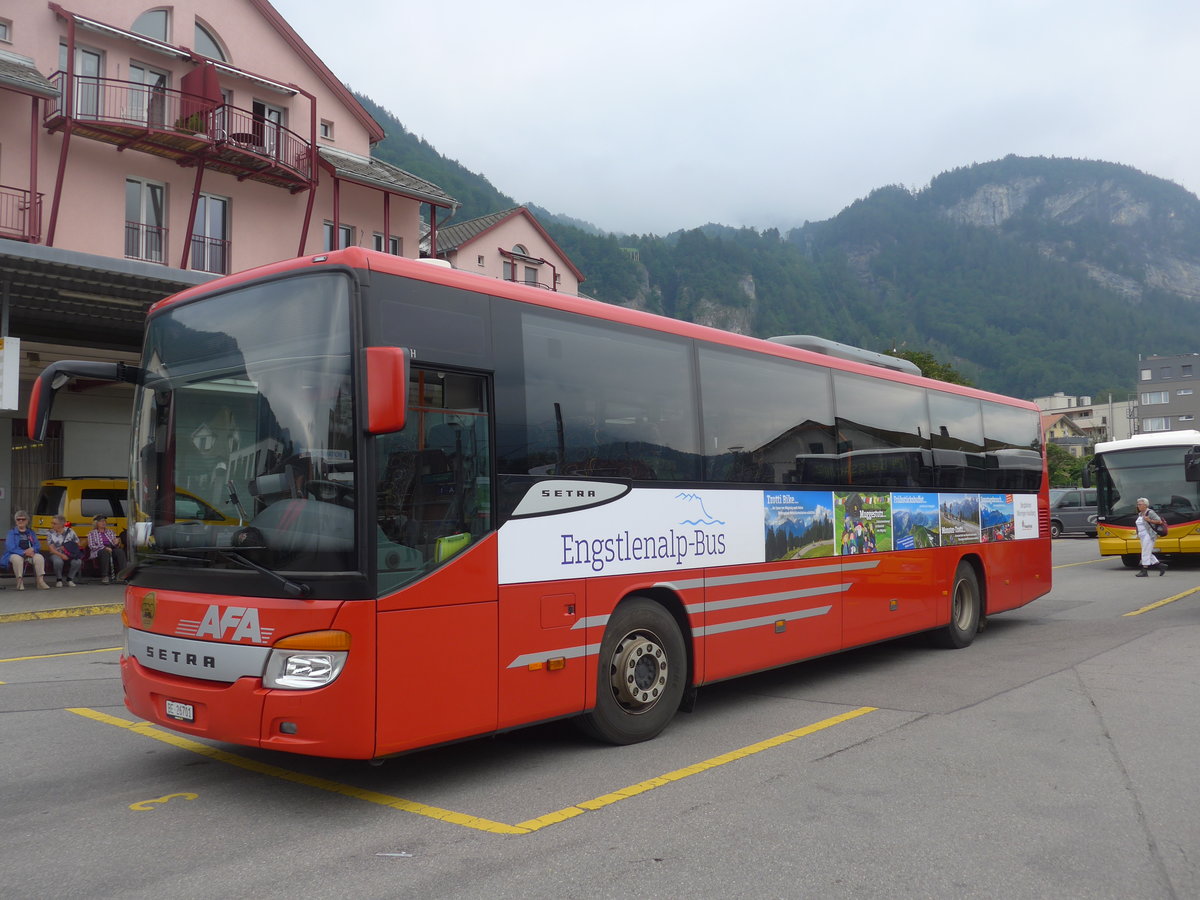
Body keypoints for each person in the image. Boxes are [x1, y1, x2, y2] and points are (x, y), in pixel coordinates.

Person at [5, 510, 50, 590]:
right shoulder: (11, 533)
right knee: (17, 559)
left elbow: (37, 545)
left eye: (23, 519)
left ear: (27, 521)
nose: (21, 521)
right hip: (16, 554)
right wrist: (24, 552)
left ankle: (40, 581)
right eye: (18, 519)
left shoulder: (31, 532)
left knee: (39, 557)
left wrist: (32, 549)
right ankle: (19, 582)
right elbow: (10, 547)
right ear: (16, 521)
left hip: (30, 553)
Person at [44, 515, 82, 587]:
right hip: (56, 553)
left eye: (54, 523)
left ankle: (70, 579)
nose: (52, 525)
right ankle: (59, 579)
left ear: (61, 524)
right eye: (52, 523)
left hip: (69, 553)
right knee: (58, 561)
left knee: (77, 561)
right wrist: (62, 555)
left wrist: (69, 551)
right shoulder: (50, 533)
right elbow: (51, 549)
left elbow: (77, 543)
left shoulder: (70, 531)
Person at [87, 515, 126, 584]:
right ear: (96, 523)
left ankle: (122, 575)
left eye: (104, 521)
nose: (104, 523)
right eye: (101, 521)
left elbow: (115, 545)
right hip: (99, 550)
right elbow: (91, 546)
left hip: (111, 548)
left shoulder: (111, 532)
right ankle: (105, 576)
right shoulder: (91, 533)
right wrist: (104, 547)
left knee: (120, 551)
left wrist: (117, 542)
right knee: (104, 552)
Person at [1134, 497, 1167, 577]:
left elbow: (1159, 521)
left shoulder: (1150, 512)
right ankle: (1160, 566)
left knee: (1145, 552)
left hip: (1149, 535)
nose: (1138, 506)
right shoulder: (1140, 514)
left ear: (1145, 505)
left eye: (1140, 504)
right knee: (1147, 551)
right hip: (1142, 535)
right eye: (1138, 504)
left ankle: (1144, 570)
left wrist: (1149, 520)